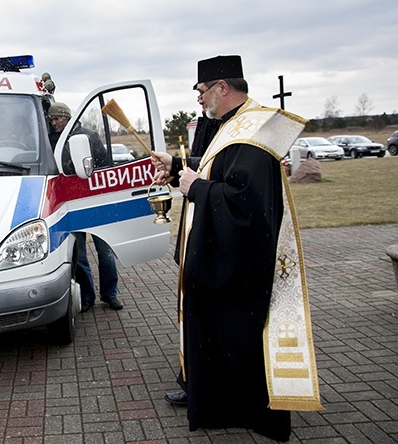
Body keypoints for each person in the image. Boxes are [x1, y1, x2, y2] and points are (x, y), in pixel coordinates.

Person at [151, 55, 321, 442]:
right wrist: (177, 165)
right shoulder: (233, 125)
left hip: (238, 263)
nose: (199, 100)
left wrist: (195, 188)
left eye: (201, 91)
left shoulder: (253, 130)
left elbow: (244, 203)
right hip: (220, 255)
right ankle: (208, 395)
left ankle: (238, 407)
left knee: (235, 334)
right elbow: (218, 170)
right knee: (214, 329)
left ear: (222, 87)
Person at [48, 102, 124, 312]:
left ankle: (110, 294)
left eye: (56, 119)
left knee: (105, 251)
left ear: (66, 117)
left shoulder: (89, 136)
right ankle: (87, 296)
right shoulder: (52, 141)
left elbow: (103, 165)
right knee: (79, 254)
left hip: (95, 201)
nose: (53, 123)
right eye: (51, 120)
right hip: (71, 203)